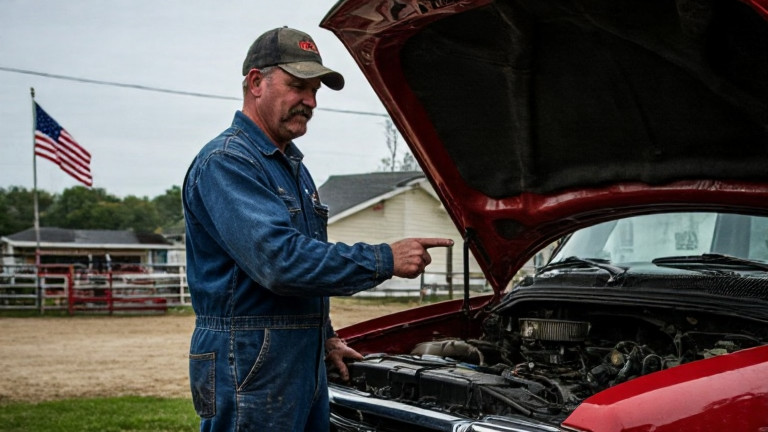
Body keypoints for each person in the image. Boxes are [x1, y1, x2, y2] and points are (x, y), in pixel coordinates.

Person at [182, 26, 454, 432]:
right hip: (248, 359)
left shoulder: (294, 168)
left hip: (297, 357)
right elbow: (280, 262)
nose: (310, 101)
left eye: (315, 91)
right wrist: (384, 259)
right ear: (256, 82)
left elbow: (308, 261)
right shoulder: (227, 163)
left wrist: (325, 337)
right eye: (297, 86)